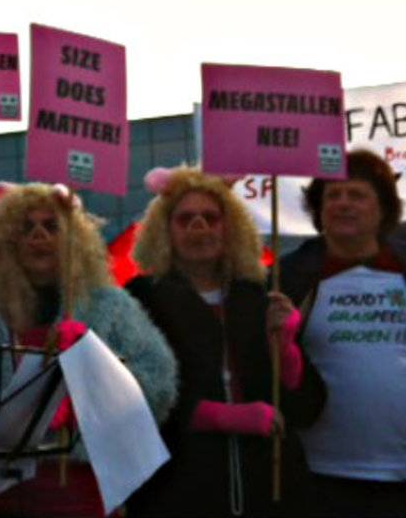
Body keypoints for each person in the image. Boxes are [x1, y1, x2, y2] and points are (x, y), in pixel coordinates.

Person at [0, 181, 178, 517]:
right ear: (6, 240)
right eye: (26, 227)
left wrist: (93, 389)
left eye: (51, 226)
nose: (39, 235)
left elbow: (159, 384)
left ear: (73, 238)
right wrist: (29, 410)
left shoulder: (110, 306)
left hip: (82, 493)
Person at [124, 167, 322, 517]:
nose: (198, 227)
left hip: (270, 488)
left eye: (210, 218)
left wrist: (286, 350)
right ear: (164, 231)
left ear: (230, 228)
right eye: (185, 219)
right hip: (177, 493)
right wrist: (219, 416)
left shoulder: (261, 296)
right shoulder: (141, 299)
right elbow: (133, 400)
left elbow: (307, 408)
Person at [279, 149, 406, 518]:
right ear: (318, 210)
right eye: (333, 195)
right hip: (318, 477)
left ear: (382, 209)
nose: (342, 204)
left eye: (356, 194)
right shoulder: (288, 279)